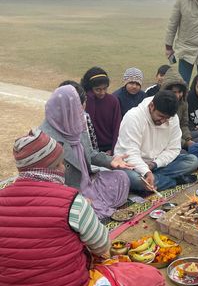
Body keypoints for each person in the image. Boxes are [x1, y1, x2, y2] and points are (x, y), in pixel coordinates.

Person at [0, 129, 164, 286]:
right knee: (150, 277)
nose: (63, 169)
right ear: (53, 167)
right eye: (61, 164)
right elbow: (102, 246)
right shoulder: (71, 202)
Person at [40, 85, 133, 218]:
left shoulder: (76, 125)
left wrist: (110, 160)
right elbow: (45, 182)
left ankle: (90, 209)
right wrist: (73, 198)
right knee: (74, 210)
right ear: (67, 109)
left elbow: (90, 153)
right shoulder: (45, 138)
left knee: (121, 177)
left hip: (88, 182)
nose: (82, 111)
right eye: (79, 107)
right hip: (66, 191)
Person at [115, 90, 198, 191]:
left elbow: (174, 148)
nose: (163, 121)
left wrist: (155, 164)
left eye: (167, 118)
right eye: (161, 116)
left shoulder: (173, 118)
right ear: (151, 106)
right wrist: (146, 171)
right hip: (132, 165)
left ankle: (156, 180)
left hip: (156, 164)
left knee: (192, 161)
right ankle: (174, 181)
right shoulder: (133, 117)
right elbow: (130, 154)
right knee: (133, 180)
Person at [81, 67, 121, 153]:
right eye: (97, 89)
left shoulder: (113, 101)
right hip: (90, 148)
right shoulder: (85, 102)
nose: (102, 92)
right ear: (90, 88)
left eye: (105, 88)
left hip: (109, 148)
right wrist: (90, 98)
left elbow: (117, 128)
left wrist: (113, 150)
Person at [59, 80, 99, 151]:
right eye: (84, 101)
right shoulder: (54, 130)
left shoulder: (85, 117)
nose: (85, 105)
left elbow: (92, 148)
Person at [160, 68, 193, 149]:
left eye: (180, 92)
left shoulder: (183, 103)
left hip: (180, 134)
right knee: (192, 158)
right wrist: (185, 143)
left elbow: (183, 125)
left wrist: (189, 139)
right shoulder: (159, 105)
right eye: (174, 92)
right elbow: (163, 132)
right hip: (165, 141)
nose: (177, 95)